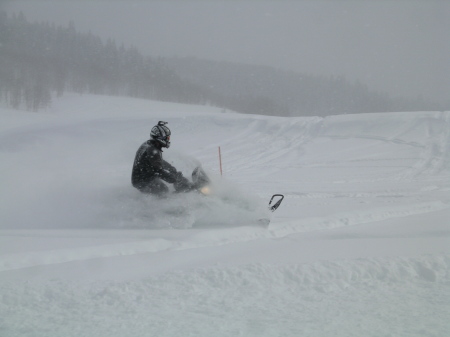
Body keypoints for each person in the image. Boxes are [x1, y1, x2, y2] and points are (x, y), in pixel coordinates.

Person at [131, 121, 193, 196]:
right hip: (143, 181)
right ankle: (158, 207)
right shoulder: (153, 150)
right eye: (167, 137)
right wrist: (174, 179)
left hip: (143, 177)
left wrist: (171, 169)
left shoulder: (149, 145)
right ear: (161, 138)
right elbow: (158, 171)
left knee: (163, 189)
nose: (168, 139)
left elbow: (157, 162)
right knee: (163, 191)